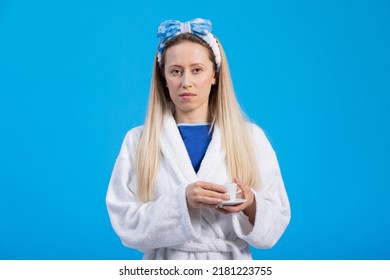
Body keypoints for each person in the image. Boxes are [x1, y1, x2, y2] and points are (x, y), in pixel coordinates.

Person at [106, 18, 290, 260]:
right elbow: (125, 224)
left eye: (197, 70)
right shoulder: (138, 141)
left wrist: (250, 203)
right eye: (176, 71)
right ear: (163, 78)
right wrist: (182, 201)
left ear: (214, 75)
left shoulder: (251, 138)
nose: (186, 83)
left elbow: (275, 225)